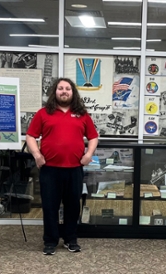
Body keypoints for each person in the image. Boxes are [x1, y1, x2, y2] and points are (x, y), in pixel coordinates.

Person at [25, 78, 99, 255]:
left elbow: (93, 137)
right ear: (54, 92)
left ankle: (70, 239)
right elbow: (30, 136)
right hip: (50, 169)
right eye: (60, 88)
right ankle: (50, 241)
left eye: (67, 88)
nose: (64, 91)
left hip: (74, 169)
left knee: (73, 206)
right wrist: (37, 155)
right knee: (50, 206)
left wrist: (88, 155)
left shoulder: (82, 114)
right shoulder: (43, 113)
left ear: (73, 93)